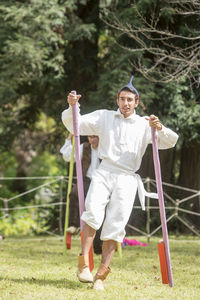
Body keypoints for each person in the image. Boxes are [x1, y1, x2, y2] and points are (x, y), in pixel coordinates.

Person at [61, 76, 179, 290]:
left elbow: (170, 141)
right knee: (92, 213)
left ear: (136, 102)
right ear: (117, 99)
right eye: (122, 99)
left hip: (127, 178)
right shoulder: (104, 117)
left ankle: (100, 276)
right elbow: (76, 124)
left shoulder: (145, 125)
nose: (126, 103)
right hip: (104, 171)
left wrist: (159, 127)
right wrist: (72, 106)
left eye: (130, 99)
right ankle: (83, 264)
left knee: (115, 225)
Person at [60, 133, 103, 254]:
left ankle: (98, 245)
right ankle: (73, 225)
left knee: (97, 210)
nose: (92, 139)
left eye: (95, 136)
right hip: (86, 179)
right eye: (90, 137)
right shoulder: (84, 147)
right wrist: (69, 139)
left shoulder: (105, 148)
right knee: (74, 194)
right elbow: (67, 156)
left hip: (101, 182)